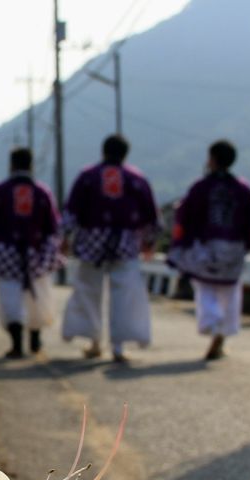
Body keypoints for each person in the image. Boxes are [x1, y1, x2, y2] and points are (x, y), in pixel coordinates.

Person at [61, 135, 161, 362]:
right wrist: (149, 242)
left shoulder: (88, 176)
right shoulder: (136, 178)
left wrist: (65, 237)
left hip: (90, 244)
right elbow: (152, 217)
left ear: (103, 150)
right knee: (125, 295)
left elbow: (71, 213)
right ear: (126, 153)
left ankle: (94, 342)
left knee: (89, 292)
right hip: (126, 244)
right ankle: (118, 347)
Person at [169, 140, 250, 360]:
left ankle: (212, 323)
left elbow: (184, 215)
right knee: (230, 291)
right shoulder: (243, 188)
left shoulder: (200, 187)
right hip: (235, 247)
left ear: (212, 159)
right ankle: (223, 332)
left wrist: (180, 242)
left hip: (207, 245)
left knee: (205, 287)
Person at [0, 147, 63, 358]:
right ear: (31, 165)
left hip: (6, 254)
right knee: (38, 295)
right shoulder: (42, 192)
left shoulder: (0, 191)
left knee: (9, 296)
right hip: (37, 254)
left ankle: (17, 343)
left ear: (11, 165)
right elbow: (54, 228)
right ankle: (36, 340)